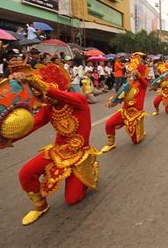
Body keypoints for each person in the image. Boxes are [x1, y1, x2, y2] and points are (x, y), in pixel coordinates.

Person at [7, 63, 100, 225]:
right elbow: (29, 127)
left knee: (72, 199)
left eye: (46, 91)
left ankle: (91, 168)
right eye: (41, 95)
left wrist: (32, 79)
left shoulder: (78, 100)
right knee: (26, 173)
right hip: (58, 152)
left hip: (79, 155)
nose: (45, 97)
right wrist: (4, 139)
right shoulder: (48, 109)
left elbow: (54, 93)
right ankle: (40, 205)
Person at [101, 54, 148, 153]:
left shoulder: (142, 84)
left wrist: (138, 76)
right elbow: (120, 94)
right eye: (130, 72)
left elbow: (144, 83)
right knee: (109, 124)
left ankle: (141, 131)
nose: (130, 74)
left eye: (132, 72)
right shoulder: (128, 84)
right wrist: (112, 100)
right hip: (124, 111)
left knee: (135, 141)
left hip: (135, 114)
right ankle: (111, 143)